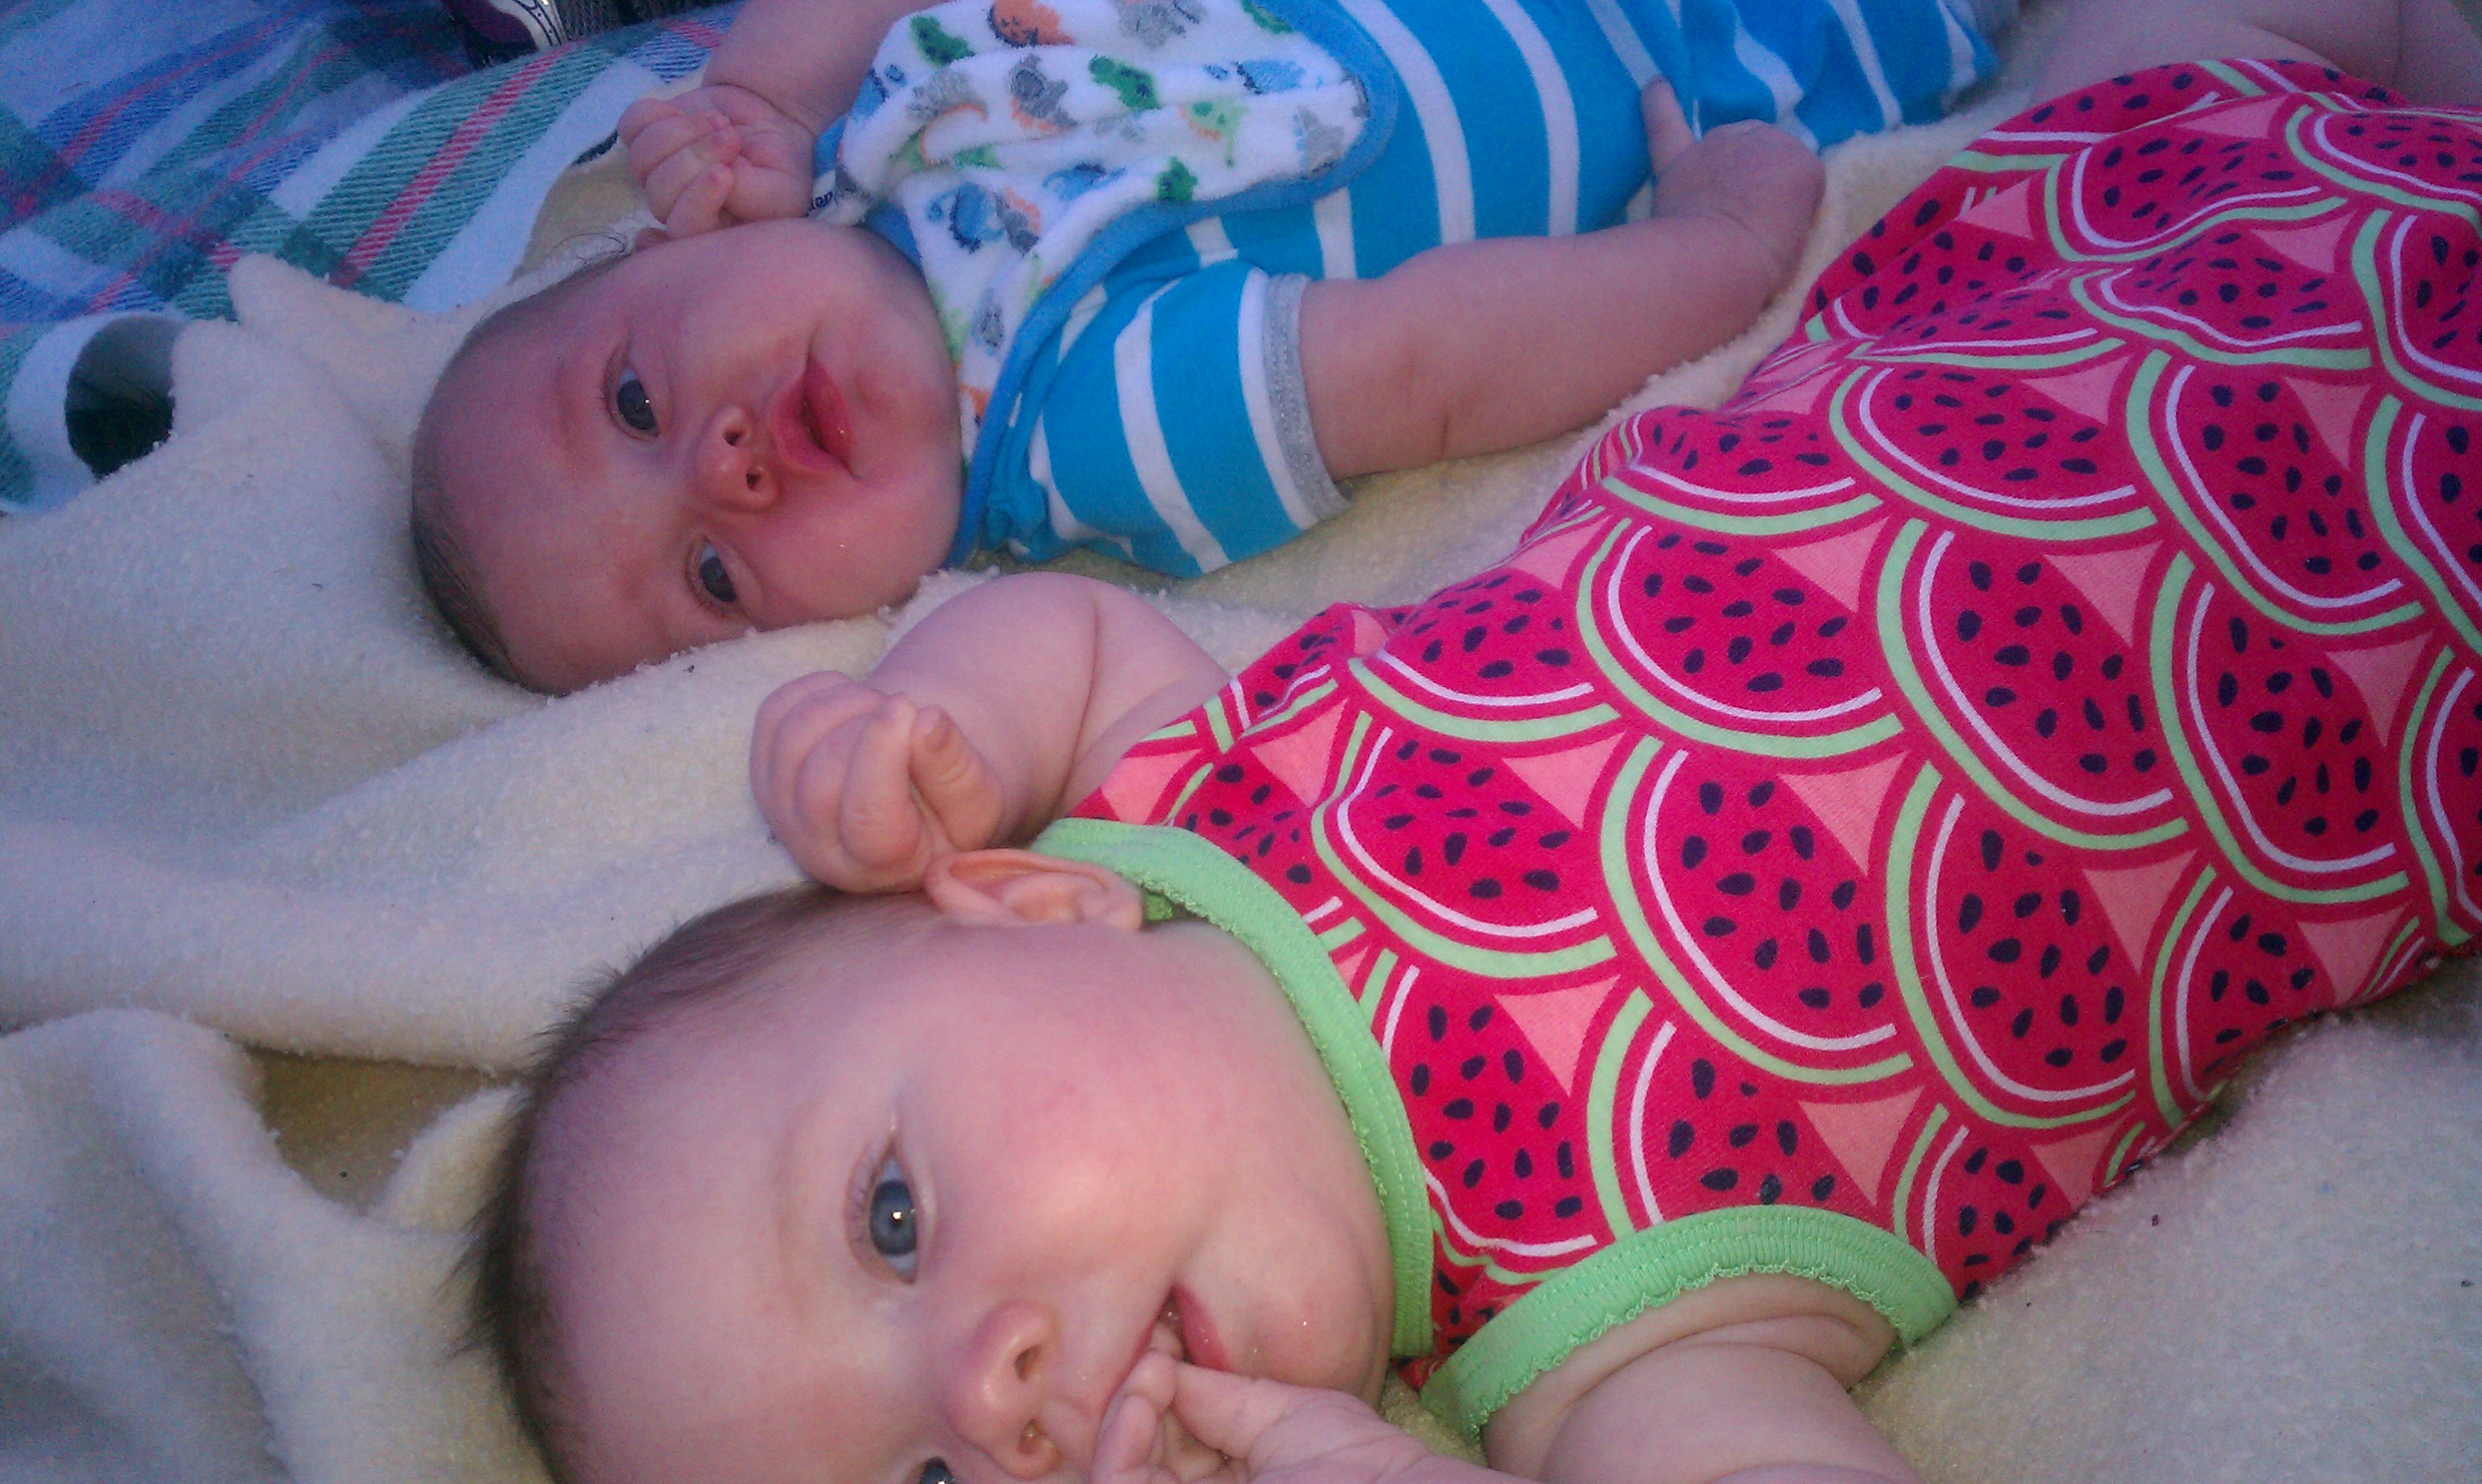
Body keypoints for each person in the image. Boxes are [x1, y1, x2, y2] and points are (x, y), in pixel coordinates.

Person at [465, 0, 2482, 1480]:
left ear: (1020, 896)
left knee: (2186, 57)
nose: (991, 1407)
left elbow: (1059, 635)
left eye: (894, 1219)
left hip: (2046, 291)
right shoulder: (1604, 1354)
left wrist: (925, 714)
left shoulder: (1186, 805)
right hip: (2396, 555)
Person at [410, 0, 2011, 693]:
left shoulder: (880, 118)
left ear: (668, 245)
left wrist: (757, 95)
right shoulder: (1078, 427)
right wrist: (1715, 254)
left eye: (634, 400)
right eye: (712, 577)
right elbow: (1429, 363)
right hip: (1708, 46)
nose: (725, 468)